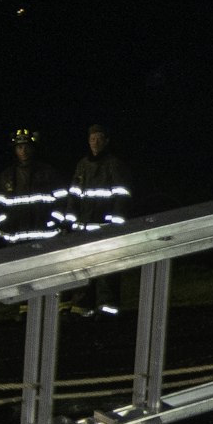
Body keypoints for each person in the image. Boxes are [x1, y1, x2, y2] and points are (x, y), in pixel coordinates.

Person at [65, 122, 133, 316]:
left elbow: (122, 196)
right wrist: (71, 222)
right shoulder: (82, 165)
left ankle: (107, 308)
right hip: (84, 228)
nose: (95, 142)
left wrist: (115, 225)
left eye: (99, 138)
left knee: (107, 271)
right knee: (83, 268)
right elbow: (74, 195)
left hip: (105, 228)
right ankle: (81, 307)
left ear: (107, 141)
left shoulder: (114, 165)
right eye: (92, 138)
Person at [0, 127, 66, 246]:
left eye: (26, 147)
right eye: (19, 147)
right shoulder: (6, 176)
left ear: (33, 148)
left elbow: (62, 200)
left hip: (45, 237)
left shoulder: (48, 172)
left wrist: (53, 222)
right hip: (15, 239)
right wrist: (5, 224)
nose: (23, 151)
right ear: (15, 150)